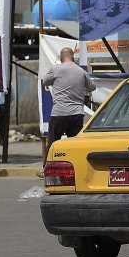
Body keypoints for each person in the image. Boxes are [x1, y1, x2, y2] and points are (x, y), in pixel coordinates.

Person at [38, 47, 96, 178]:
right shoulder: (81, 71)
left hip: (59, 113)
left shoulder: (56, 69)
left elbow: (45, 81)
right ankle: (78, 171)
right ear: (73, 57)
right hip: (76, 114)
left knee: (53, 142)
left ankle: (46, 170)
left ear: (60, 57)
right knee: (75, 144)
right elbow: (92, 87)